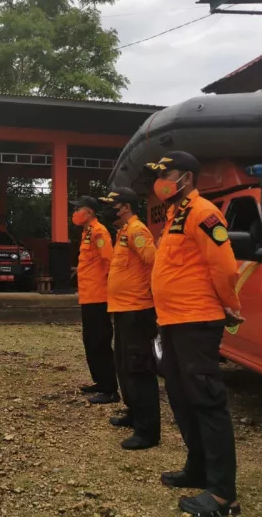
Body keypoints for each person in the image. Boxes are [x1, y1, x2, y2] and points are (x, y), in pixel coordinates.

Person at [145, 151, 242, 517]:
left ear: (186, 177)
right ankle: (198, 468)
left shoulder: (203, 213)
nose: (160, 181)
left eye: (165, 174)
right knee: (181, 396)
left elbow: (224, 266)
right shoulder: (175, 215)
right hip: (172, 320)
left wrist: (230, 305)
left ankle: (223, 496)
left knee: (206, 401)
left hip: (197, 320)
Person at [99, 187, 160, 450]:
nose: (109, 209)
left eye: (112, 205)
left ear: (125, 207)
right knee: (124, 366)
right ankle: (134, 413)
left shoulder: (137, 231)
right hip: (122, 309)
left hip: (137, 310)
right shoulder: (123, 232)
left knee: (139, 370)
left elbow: (154, 261)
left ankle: (147, 432)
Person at [70, 195, 119, 405]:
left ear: (88, 212)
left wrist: (112, 292)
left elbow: (110, 261)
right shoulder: (88, 232)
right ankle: (100, 382)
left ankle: (110, 389)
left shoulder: (99, 232)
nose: (74, 213)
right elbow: (92, 262)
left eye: (77, 209)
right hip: (89, 297)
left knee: (99, 341)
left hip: (99, 297)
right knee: (90, 341)